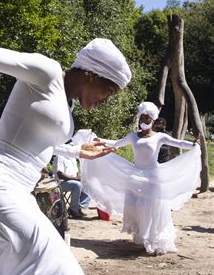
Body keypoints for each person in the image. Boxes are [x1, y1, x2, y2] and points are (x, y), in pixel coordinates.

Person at [0, 39, 131, 275]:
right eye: (108, 92)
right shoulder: (47, 72)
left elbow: (35, 140)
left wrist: (78, 150)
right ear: (92, 75)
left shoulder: (66, 103)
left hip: (15, 187)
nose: (106, 100)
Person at [81, 102, 201, 255]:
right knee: (131, 205)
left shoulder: (159, 137)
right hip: (135, 176)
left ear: (152, 120)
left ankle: (152, 239)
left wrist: (194, 145)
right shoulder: (133, 136)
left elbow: (178, 143)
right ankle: (140, 235)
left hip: (153, 177)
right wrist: (101, 140)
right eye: (142, 117)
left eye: (147, 118)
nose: (144, 120)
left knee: (150, 208)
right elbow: (117, 143)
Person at [53, 150, 91, 219]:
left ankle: (78, 206)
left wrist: (82, 179)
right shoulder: (60, 157)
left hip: (72, 182)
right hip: (60, 183)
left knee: (89, 184)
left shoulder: (73, 158)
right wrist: (77, 179)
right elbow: (60, 175)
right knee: (77, 185)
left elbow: (77, 173)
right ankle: (74, 210)